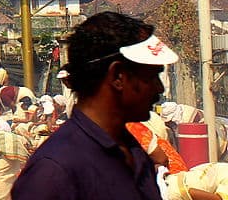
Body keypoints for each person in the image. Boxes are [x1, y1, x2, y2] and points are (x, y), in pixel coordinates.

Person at [12, 11, 178, 200]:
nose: (159, 88)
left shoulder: (133, 151)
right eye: (150, 77)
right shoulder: (54, 170)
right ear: (117, 76)